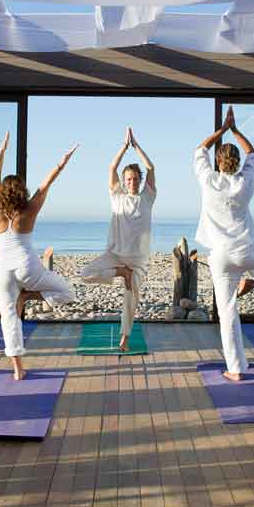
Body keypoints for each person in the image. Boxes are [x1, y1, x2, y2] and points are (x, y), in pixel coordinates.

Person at [194, 107, 254, 381]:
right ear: (236, 163)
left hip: (221, 257)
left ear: (218, 162)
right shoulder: (245, 182)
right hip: (248, 252)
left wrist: (222, 130)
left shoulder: (209, 180)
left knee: (227, 314)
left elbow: (200, 149)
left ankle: (235, 369)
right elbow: (253, 154)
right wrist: (235, 130)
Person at [0, 132, 78, 380]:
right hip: (27, 266)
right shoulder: (29, 210)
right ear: (21, 191)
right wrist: (63, 162)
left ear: (1, 193)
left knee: (9, 317)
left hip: (2, 269)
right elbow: (46, 183)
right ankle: (28, 295)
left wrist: (1, 152)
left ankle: (18, 369)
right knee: (67, 292)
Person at [80, 127, 156, 351]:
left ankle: (125, 339)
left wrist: (137, 146)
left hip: (138, 260)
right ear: (124, 181)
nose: (132, 182)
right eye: (128, 179)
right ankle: (120, 273)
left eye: (135, 179)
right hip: (115, 255)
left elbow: (151, 167)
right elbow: (112, 167)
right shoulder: (117, 197)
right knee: (85, 274)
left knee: (131, 301)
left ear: (140, 181)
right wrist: (124, 147)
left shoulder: (147, 198)